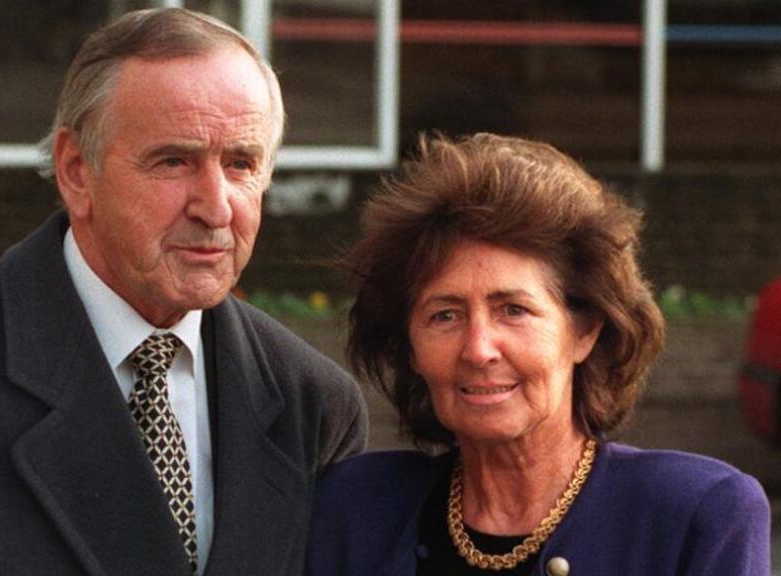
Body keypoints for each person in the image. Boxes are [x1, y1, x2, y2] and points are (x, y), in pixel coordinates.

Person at [0, 8, 367, 576]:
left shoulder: (313, 406)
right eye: (173, 162)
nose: (216, 206)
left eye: (242, 163)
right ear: (77, 171)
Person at [306, 133, 771, 576]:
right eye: (445, 315)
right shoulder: (354, 509)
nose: (479, 348)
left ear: (585, 331)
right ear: (409, 347)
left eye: (513, 310)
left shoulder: (695, 516)